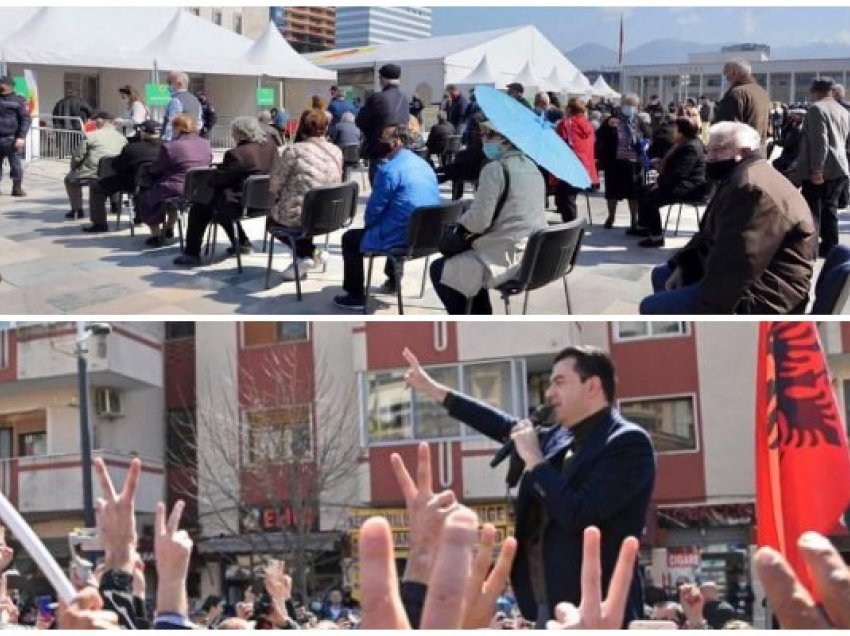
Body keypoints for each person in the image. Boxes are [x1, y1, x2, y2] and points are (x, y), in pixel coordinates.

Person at [402, 345, 656, 627]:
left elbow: (579, 515)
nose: (549, 394)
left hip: (599, 616)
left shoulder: (627, 443)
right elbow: (502, 426)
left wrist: (535, 461)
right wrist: (434, 389)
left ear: (593, 386)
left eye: (559, 382)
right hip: (543, 611)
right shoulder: (559, 437)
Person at [640, 121, 816, 315]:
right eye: (709, 150)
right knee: (662, 274)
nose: (710, 158)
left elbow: (739, 262)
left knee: (652, 307)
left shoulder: (751, 188)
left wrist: (709, 310)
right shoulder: (738, 176)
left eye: (719, 151)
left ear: (745, 151)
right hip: (749, 277)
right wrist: (684, 265)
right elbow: (708, 232)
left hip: (766, 292)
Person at [429, 118, 548, 315]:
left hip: (505, 256)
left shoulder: (495, 169)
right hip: (534, 253)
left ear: (507, 140)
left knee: (440, 269)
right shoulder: (532, 166)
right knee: (463, 265)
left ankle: (474, 318)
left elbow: (479, 222)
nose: (484, 139)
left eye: (491, 135)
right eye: (483, 134)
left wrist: (461, 221)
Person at [333, 124, 439, 310]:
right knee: (395, 221)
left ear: (396, 142)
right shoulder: (425, 165)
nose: (380, 144)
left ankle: (355, 295)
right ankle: (392, 280)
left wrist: (369, 227)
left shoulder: (389, 170)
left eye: (384, 140)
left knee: (350, 239)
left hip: (402, 237)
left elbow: (373, 211)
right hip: (426, 236)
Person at [174, 116, 276, 265]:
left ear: (239, 134)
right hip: (266, 201)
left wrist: (217, 172)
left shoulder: (236, 154)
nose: (232, 135)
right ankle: (242, 242)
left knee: (200, 208)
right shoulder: (270, 146)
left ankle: (191, 253)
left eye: (233, 132)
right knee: (221, 204)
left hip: (243, 205)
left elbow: (218, 180)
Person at [268, 108, 343, 281]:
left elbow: (274, 184)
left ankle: (306, 255)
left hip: (300, 214)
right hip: (328, 214)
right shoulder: (336, 151)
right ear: (325, 127)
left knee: (272, 222)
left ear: (302, 127)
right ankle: (309, 254)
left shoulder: (293, 151)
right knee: (300, 217)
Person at [796, 77, 850, 258]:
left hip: (823, 168)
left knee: (813, 210)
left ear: (815, 91)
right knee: (830, 209)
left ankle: (811, 248)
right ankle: (831, 248)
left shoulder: (816, 109)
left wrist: (817, 169)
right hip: (840, 166)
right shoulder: (842, 110)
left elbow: (821, 141)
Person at [635, 117, 707, 248]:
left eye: (674, 129)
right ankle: (644, 227)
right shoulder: (684, 143)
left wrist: (660, 183)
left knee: (652, 198)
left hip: (691, 187)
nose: (671, 132)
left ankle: (656, 237)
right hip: (680, 182)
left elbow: (679, 173)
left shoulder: (691, 147)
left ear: (681, 131)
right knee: (643, 190)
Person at [140, 114, 211, 246]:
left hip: (176, 187)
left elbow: (157, 169)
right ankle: (169, 228)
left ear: (177, 128)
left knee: (147, 196)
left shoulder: (171, 146)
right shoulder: (205, 143)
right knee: (167, 196)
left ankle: (155, 235)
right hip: (198, 188)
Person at [82, 119, 162, 233]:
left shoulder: (133, 148)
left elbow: (118, 166)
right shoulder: (168, 147)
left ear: (143, 132)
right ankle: (139, 217)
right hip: (160, 184)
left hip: (134, 184)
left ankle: (99, 224)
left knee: (96, 187)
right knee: (140, 184)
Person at [595, 93, 651, 231]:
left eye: (633, 106)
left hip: (633, 164)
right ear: (621, 106)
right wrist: (608, 127)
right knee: (612, 193)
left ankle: (633, 219)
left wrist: (646, 144)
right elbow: (599, 136)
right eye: (627, 105)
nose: (630, 108)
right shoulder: (612, 121)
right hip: (614, 163)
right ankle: (611, 217)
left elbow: (649, 136)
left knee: (634, 194)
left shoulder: (638, 121)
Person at [63, 112, 127, 220]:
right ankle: (115, 204)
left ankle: (77, 210)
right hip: (115, 173)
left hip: (92, 173)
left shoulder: (90, 136)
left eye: (95, 120)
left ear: (100, 121)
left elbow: (77, 157)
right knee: (113, 172)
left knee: (69, 180)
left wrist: (74, 168)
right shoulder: (122, 138)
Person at [356, 63, 410, 185]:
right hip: (400, 150)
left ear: (382, 79)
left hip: (381, 151)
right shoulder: (404, 99)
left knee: (379, 193)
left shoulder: (378, 98)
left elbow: (360, 121)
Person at [554, 97, 598, 222]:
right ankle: (571, 225)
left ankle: (572, 228)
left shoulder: (566, 124)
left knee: (565, 199)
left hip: (570, 166)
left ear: (569, 109)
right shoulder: (588, 125)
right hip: (586, 167)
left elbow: (559, 144)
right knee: (567, 197)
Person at [713, 59, 771, 142]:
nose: (727, 79)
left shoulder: (737, 93)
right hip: (758, 148)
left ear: (734, 73)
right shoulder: (762, 92)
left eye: (726, 74)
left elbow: (726, 128)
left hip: (740, 150)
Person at [0, 75, 31, 197]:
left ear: (9, 86)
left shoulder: (18, 100)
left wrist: (21, 137)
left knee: (16, 165)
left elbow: (25, 119)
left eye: (1, 84)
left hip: (11, 138)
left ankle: (16, 188)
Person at [162, 71, 203, 141]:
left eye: (170, 83)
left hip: (177, 141)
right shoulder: (195, 100)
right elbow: (199, 123)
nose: (168, 86)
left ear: (179, 84)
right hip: (193, 139)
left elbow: (171, 123)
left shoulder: (176, 100)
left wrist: (167, 141)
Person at [772, 107, 805, 183]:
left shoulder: (797, 129)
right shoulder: (796, 127)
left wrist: (775, 142)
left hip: (791, 157)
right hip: (793, 155)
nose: (790, 117)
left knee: (776, 164)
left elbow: (787, 143)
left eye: (793, 115)